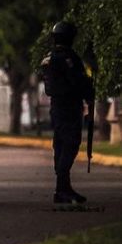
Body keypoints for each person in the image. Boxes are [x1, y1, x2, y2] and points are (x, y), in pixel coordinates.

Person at [39, 21, 94, 205]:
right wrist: (89, 95)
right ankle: (62, 188)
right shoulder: (67, 57)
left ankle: (62, 187)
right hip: (69, 105)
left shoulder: (49, 57)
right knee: (70, 143)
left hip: (57, 106)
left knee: (61, 144)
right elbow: (78, 80)